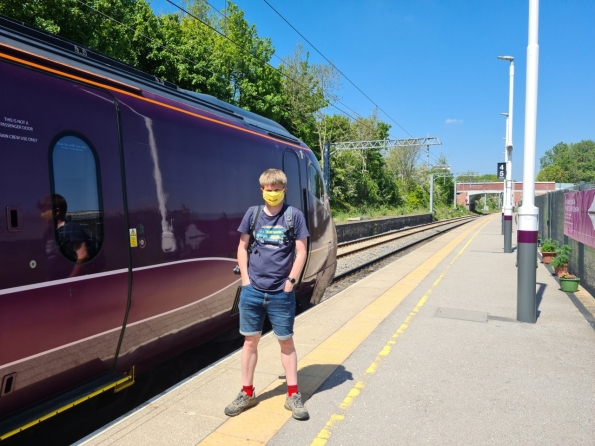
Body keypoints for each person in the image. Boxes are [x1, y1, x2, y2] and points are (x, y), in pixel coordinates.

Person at [225, 169, 310, 420]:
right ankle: (247, 393)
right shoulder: (252, 214)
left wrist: (290, 282)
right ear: (261, 190)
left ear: (284, 190)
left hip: (280, 293)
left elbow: (302, 251)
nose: (272, 193)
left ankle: (292, 394)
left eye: (276, 189)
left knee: (286, 341)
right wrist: (246, 281)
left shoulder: (294, 216)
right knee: (250, 342)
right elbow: (242, 247)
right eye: (268, 189)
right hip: (253, 291)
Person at [38, 194, 90, 278]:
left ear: (57, 211)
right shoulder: (47, 233)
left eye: (44, 211)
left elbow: (82, 256)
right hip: (54, 281)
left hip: (68, 282)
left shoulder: (71, 228)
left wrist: (71, 278)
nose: (41, 215)